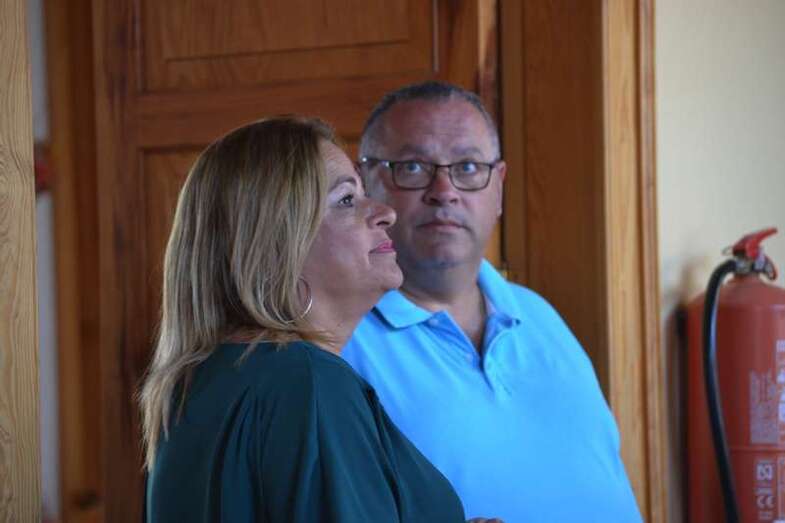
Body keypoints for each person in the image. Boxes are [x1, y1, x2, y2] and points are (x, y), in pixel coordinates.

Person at [139, 117, 484, 522]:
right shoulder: (308, 381)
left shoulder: (200, 380)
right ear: (277, 242)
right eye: (346, 200)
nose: (385, 213)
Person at [343, 82, 643, 522]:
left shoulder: (538, 314)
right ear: (363, 184)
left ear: (498, 188)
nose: (444, 190)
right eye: (412, 167)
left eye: (467, 167)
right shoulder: (337, 342)